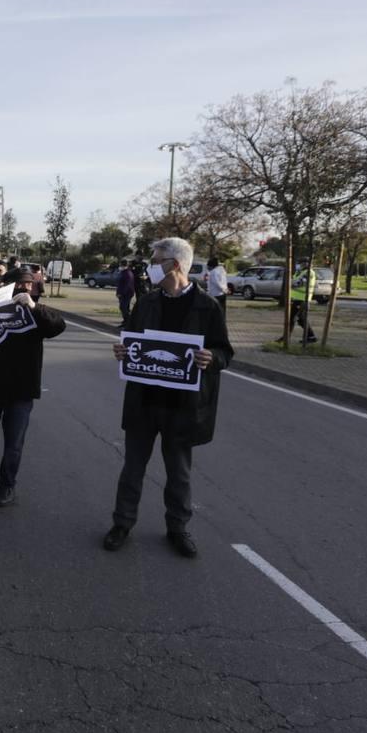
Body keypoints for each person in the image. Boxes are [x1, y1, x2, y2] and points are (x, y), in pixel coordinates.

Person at [104, 238, 234, 558]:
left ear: (174, 265)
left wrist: (211, 359)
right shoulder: (146, 302)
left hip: (183, 407)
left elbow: (224, 351)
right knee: (133, 468)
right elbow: (132, 341)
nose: (150, 265)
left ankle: (177, 527)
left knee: (179, 473)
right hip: (144, 401)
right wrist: (123, 352)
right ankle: (122, 523)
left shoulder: (207, 307)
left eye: (156, 259)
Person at [0, 268, 65, 507]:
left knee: (13, 443)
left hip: (22, 389)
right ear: (6, 286)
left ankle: (7, 485)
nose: (26, 288)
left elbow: (58, 326)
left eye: (30, 285)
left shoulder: (37, 312)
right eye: (21, 284)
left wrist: (34, 307)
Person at [288, 262, 316, 343]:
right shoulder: (299, 272)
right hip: (298, 299)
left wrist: (290, 283)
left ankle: (286, 338)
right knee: (301, 320)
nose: (300, 265)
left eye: (301, 263)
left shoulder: (309, 272)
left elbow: (299, 283)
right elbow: (293, 281)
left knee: (292, 318)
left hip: (303, 299)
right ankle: (311, 336)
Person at [116, 259, 136, 328]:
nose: (120, 266)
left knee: (123, 307)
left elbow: (127, 285)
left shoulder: (127, 273)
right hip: (124, 293)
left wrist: (121, 293)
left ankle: (128, 322)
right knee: (125, 308)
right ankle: (126, 322)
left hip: (126, 293)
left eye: (121, 265)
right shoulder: (124, 272)